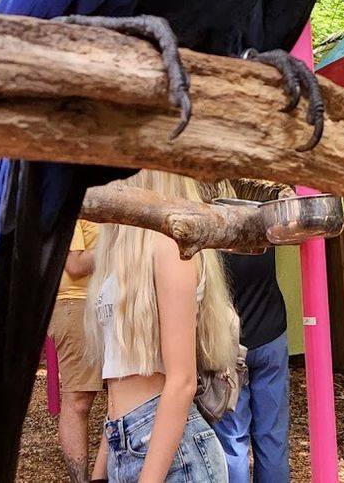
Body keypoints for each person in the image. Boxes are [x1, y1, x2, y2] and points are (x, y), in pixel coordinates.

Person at [86, 170, 239, 483]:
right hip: (124, 439)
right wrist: (102, 467)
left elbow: (182, 381)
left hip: (171, 450)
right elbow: (119, 370)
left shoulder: (170, 247)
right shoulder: (122, 255)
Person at [200, 180, 293, 483]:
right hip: (271, 335)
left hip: (229, 346)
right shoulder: (262, 221)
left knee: (232, 441)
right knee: (273, 438)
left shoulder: (208, 240)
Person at [49, 218, 108, 482]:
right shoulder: (78, 198)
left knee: (121, 391)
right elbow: (74, 265)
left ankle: (102, 475)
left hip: (107, 302)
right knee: (79, 398)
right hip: (76, 304)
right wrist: (119, 246)